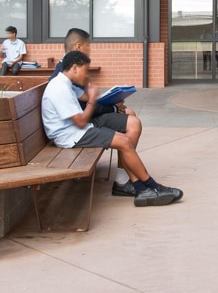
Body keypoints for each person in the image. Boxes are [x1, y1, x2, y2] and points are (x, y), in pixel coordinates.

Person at [41, 51, 182, 207]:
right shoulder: (59, 88)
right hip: (70, 136)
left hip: (78, 130)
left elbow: (86, 101)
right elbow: (80, 121)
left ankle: (141, 188)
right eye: (85, 70)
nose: (86, 74)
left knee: (125, 139)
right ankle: (153, 187)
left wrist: (110, 102)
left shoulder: (66, 83)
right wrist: (92, 101)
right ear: (74, 68)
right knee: (125, 142)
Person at [51, 28, 138, 197]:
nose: (90, 53)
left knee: (130, 115)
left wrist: (111, 103)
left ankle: (124, 177)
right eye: (88, 48)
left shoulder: (67, 68)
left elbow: (87, 100)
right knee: (130, 119)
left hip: (86, 119)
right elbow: (85, 108)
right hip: (80, 126)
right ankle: (124, 180)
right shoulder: (65, 74)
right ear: (78, 47)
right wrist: (112, 107)